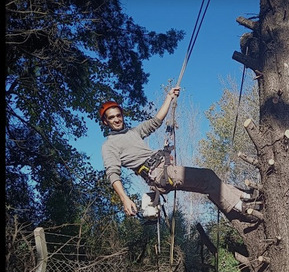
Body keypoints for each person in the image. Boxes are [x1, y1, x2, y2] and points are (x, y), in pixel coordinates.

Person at [100, 87, 261, 222]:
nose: (116, 119)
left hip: (164, 168)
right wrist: (124, 198)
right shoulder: (109, 145)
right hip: (157, 173)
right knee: (206, 176)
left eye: (118, 115)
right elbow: (113, 174)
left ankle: (248, 198)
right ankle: (242, 207)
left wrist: (169, 98)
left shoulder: (133, 132)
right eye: (111, 117)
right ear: (106, 122)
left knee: (209, 184)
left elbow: (156, 121)